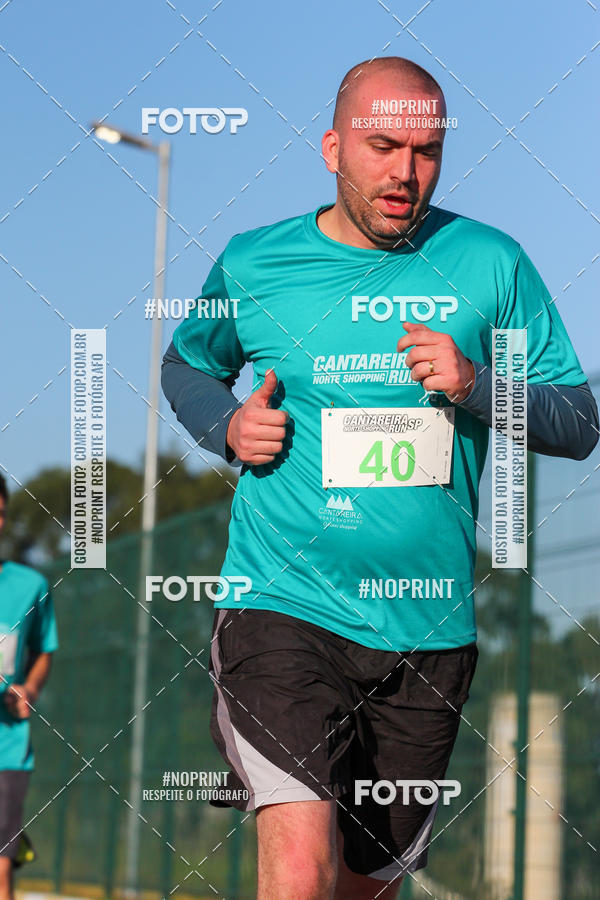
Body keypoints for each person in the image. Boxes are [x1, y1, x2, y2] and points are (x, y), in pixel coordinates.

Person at [162, 57, 598, 900]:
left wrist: (478, 386)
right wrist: (227, 426)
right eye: (383, 145)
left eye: (426, 151)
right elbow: (187, 363)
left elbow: (579, 422)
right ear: (333, 147)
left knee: (366, 886)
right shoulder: (256, 263)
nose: (405, 172)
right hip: (282, 607)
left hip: (426, 633)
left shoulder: (491, 263)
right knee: (298, 867)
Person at [0, 474, 58, 900]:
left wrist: (30, 689)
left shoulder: (30, 587)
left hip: (8, 750)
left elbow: (44, 649)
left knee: (1, 873)